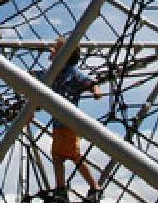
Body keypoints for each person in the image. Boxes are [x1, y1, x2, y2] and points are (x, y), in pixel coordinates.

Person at [35, 37, 102, 203]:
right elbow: (36, 77)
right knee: (57, 156)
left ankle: (95, 187)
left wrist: (96, 90)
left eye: (55, 49)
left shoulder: (72, 73)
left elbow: (89, 82)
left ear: (65, 55)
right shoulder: (52, 73)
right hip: (58, 125)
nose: (51, 50)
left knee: (74, 155)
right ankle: (61, 189)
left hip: (69, 123)